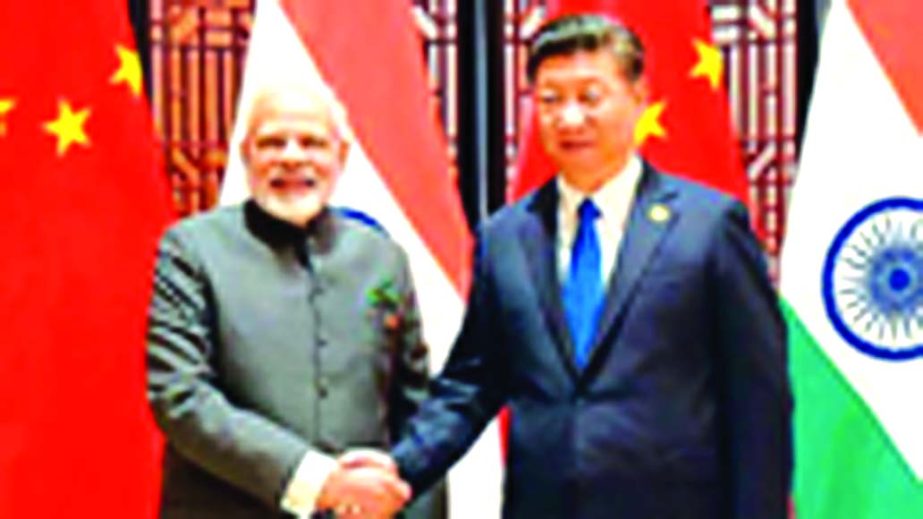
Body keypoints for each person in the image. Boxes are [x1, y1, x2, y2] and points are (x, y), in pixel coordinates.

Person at [345, 13, 792, 519]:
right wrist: (396, 471)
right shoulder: (506, 237)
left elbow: (759, 400)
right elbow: (471, 385)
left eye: (590, 96)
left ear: (638, 97)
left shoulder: (708, 227)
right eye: (550, 100)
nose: (569, 118)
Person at [146, 83, 444, 519]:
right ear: (246, 156)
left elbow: (414, 412)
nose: (291, 156)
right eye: (271, 142)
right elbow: (181, 396)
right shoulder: (192, 250)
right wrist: (317, 481)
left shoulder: (382, 258)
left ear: (340, 158)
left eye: (312, 143)